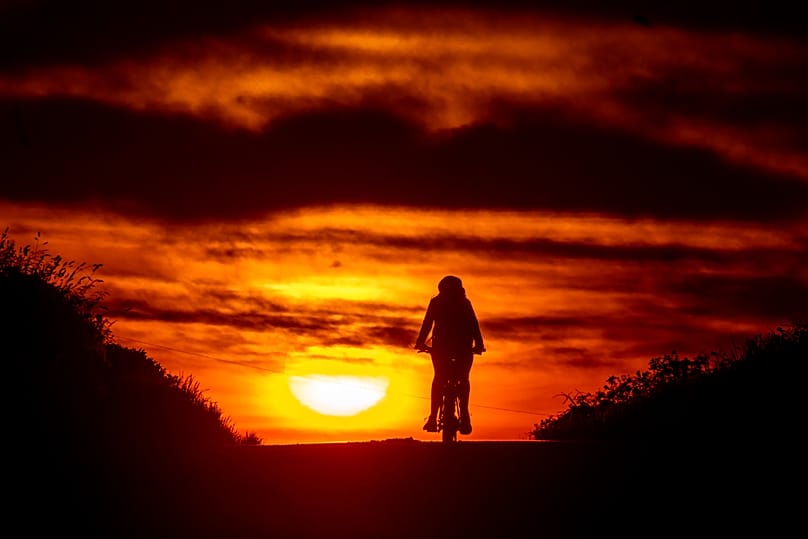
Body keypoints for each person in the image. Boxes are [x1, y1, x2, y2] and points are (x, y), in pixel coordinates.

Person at [414, 275, 485, 435]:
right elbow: (474, 325)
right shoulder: (464, 303)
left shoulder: (436, 302)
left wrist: (420, 342)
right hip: (463, 348)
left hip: (442, 348)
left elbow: (427, 323)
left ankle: (433, 418)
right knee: (463, 378)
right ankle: (464, 416)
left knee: (439, 378)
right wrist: (479, 345)